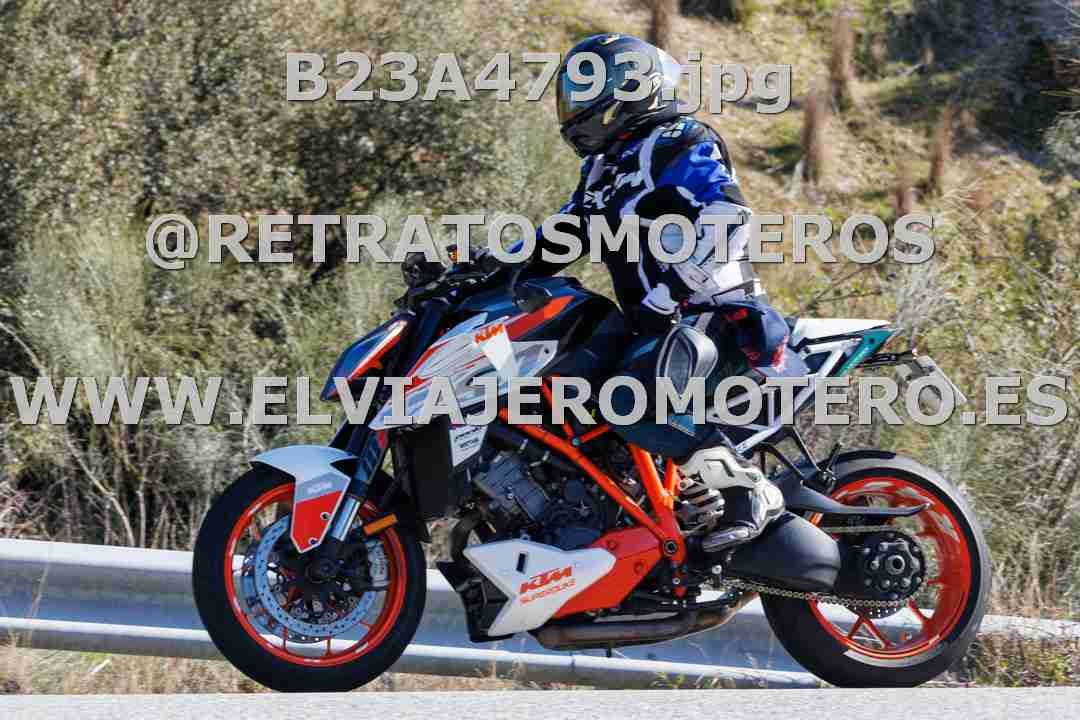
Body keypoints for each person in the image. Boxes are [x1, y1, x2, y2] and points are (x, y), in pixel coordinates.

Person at [515, 33, 803, 553]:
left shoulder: (678, 141)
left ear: (631, 89)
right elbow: (558, 238)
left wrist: (666, 297)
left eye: (588, 91)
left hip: (717, 318)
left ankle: (749, 489)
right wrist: (481, 266)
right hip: (659, 325)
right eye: (572, 92)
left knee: (630, 401)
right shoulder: (603, 169)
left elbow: (729, 217)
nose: (576, 106)